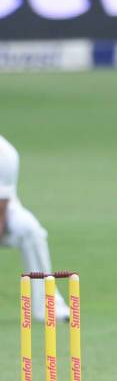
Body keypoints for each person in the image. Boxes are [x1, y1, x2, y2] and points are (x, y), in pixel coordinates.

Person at [0, 135, 70, 321]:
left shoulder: (5, 154)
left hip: (3, 211)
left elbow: (1, 212)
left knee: (30, 230)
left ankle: (48, 306)